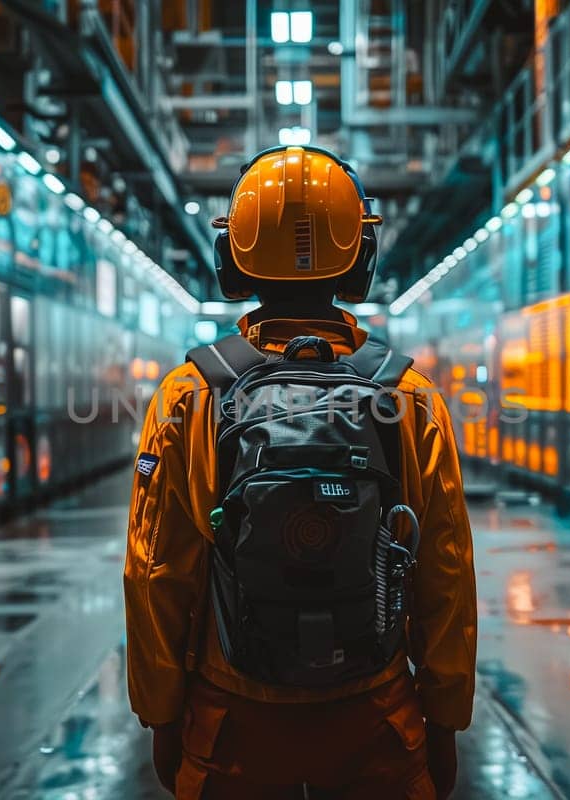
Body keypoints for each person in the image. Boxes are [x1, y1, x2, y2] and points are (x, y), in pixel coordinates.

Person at [123, 145, 477, 799]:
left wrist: (162, 714)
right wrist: (446, 718)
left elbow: (156, 572)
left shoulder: (191, 393)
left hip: (230, 721)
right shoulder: (408, 395)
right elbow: (445, 572)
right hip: (378, 717)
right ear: (361, 259)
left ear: (233, 258)